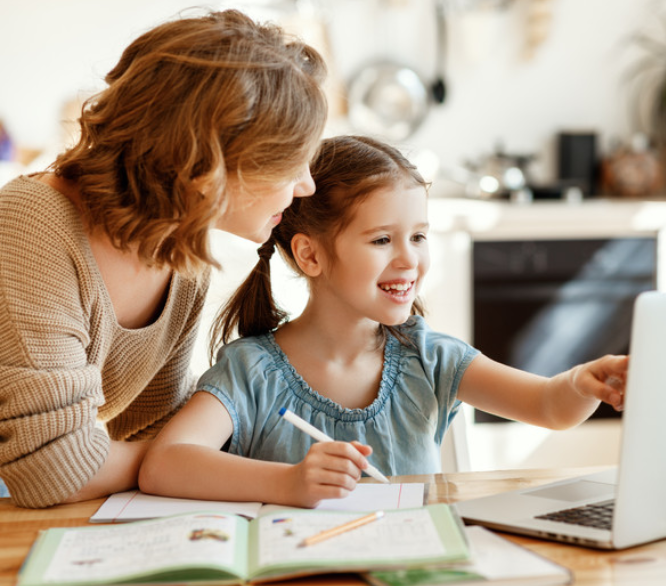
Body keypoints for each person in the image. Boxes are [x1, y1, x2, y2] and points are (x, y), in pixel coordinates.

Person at [139, 135, 629, 509]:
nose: (409, 261)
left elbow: (547, 406)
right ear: (309, 254)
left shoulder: (430, 357)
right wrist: (288, 482)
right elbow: (165, 464)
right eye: (381, 241)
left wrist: (582, 384)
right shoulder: (252, 369)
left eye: (418, 237)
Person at [0, 9, 328, 508]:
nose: (305, 184)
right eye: (291, 161)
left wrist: (191, 452)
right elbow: (51, 467)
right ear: (211, 167)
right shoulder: (30, 228)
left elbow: (152, 422)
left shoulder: (180, 254)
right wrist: (183, 461)